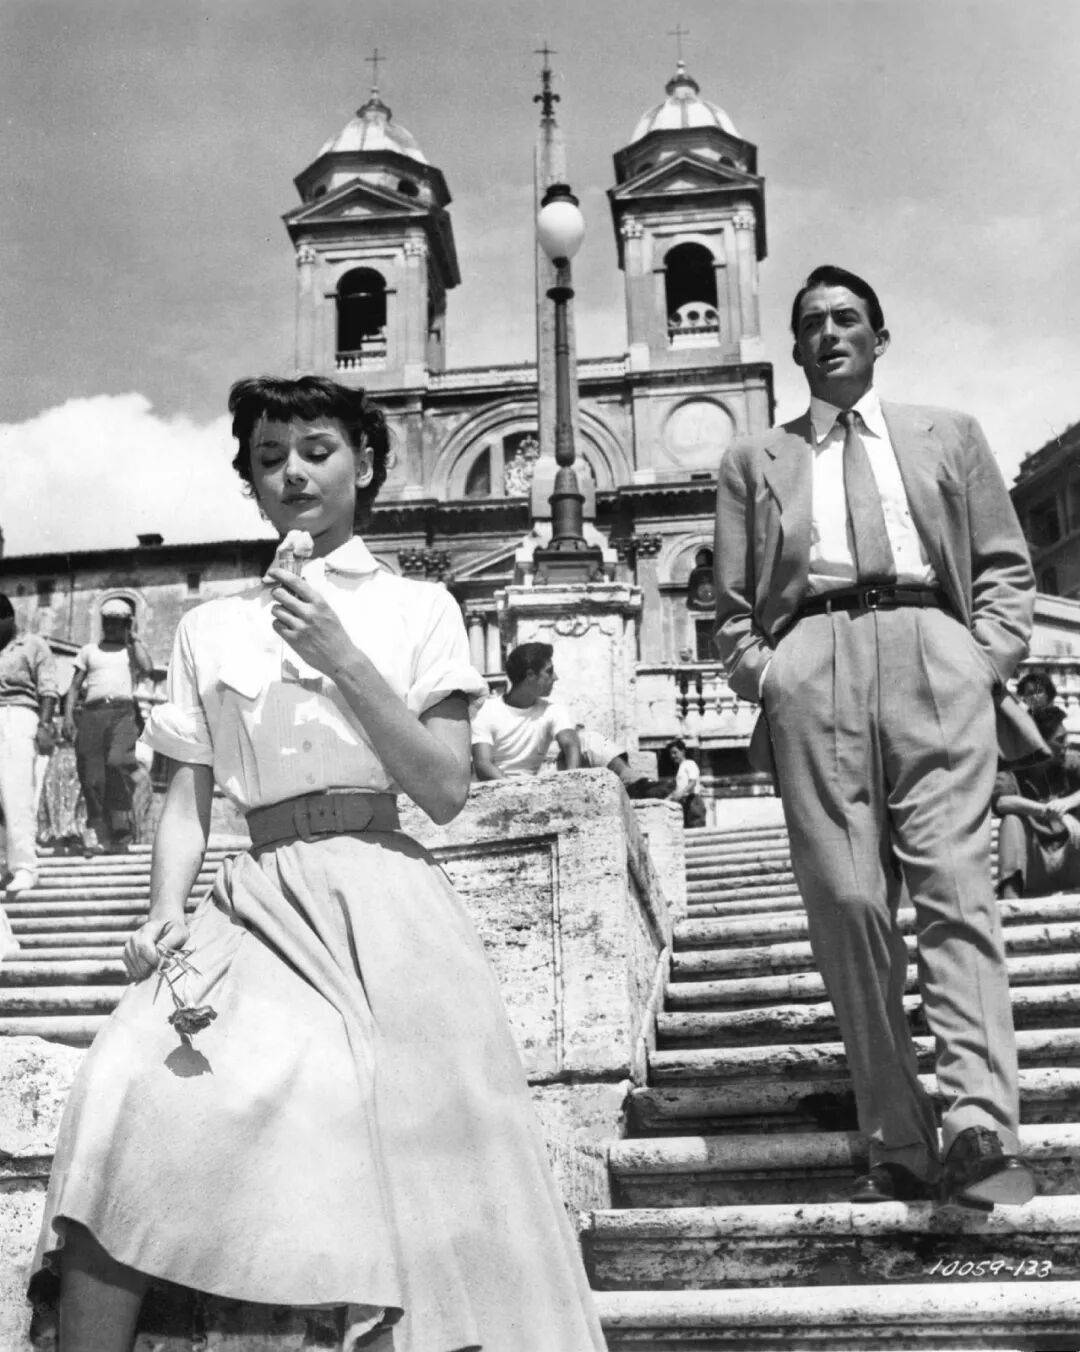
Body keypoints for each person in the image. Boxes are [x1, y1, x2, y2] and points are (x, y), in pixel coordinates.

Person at [29, 375, 604, 1352]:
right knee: (125, 1078)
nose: (292, 471)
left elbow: (445, 786)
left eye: (316, 449)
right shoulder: (213, 626)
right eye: (269, 457)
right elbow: (187, 793)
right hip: (255, 899)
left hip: (383, 899)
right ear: (250, 480)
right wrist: (163, 909)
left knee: (405, 1147)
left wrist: (341, 655)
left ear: (364, 463)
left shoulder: (421, 607)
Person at [714, 263, 1039, 1210]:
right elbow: (729, 607)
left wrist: (983, 659)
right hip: (812, 662)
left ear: (879, 338)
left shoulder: (950, 433)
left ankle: (979, 1125)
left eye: (847, 317)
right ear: (796, 347)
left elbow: (1005, 565)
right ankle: (896, 1133)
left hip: (934, 650)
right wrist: (770, 674)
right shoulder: (754, 459)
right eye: (812, 321)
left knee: (956, 892)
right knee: (849, 902)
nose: (830, 332)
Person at [63, 599, 154, 855]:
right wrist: (68, 717)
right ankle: (100, 834)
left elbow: (147, 668)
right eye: (108, 622)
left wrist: (133, 637)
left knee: (117, 762)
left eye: (117, 623)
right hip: (92, 714)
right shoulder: (89, 650)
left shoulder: (131, 651)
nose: (111, 627)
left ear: (126, 624)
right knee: (92, 777)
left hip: (122, 712)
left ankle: (121, 827)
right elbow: (74, 687)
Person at [0, 594, 59, 932]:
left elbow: (48, 688)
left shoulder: (32, 644)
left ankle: (24, 867)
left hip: (19, 716)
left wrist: (45, 725)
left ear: (8, 620)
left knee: (16, 794)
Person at [994, 705, 1080, 898]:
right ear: (1039, 743)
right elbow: (1001, 802)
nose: (1066, 745)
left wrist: (1068, 802)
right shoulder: (1010, 766)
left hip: (1070, 858)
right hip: (1034, 862)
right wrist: (1049, 811)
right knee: (1011, 822)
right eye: (1060, 740)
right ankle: (1011, 901)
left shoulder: (1070, 761)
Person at [470, 641, 581, 779]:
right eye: (549, 671)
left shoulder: (552, 710)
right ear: (530, 675)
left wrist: (571, 780)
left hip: (535, 785)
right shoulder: (486, 711)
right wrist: (515, 789)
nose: (555, 677)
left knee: (591, 743)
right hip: (497, 786)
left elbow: (571, 743)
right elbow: (483, 764)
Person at [665, 738, 707, 828]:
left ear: (683, 751)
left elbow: (693, 782)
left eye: (675, 752)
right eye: (671, 754)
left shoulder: (690, 763)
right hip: (685, 802)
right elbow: (679, 788)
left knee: (696, 827)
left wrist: (681, 793)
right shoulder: (681, 767)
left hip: (693, 801)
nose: (673, 756)